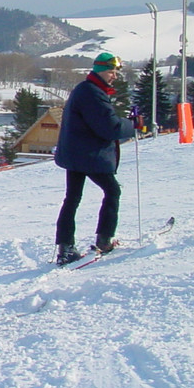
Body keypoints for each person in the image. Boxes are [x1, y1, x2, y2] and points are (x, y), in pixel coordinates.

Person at [53, 52, 137, 265]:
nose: (114, 76)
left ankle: (65, 247)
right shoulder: (92, 93)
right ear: (100, 71)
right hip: (88, 155)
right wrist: (133, 124)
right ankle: (104, 240)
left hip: (76, 153)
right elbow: (109, 127)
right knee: (112, 191)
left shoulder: (86, 89)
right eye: (111, 71)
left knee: (72, 198)